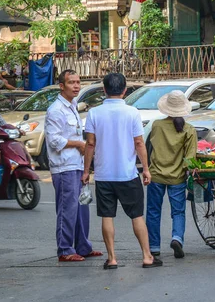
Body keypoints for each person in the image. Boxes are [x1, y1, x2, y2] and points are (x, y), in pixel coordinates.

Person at [82, 73, 162, 269]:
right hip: (127, 173)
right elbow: (139, 143)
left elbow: (90, 144)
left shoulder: (94, 113)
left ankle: (112, 258)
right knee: (137, 216)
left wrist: (86, 171)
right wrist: (146, 169)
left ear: (104, 90)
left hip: (103, 174)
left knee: (107, 216)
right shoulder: (132, 112)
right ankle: (146, 256)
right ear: (125, 90)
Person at [45, 69, 103, 262]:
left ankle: (83, 246)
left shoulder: (73, 106)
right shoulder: (55, 110)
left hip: (77, 164)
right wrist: (78, 144)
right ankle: (65, 249)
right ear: (62, 86)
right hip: (63, 166)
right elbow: (54, 140)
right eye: (72, 82)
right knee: (67, 209)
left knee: (82, 208)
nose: (76, 86)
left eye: (78, 82)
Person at [146, 91, 197, 259]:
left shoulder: (156, 126)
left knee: (153, 211)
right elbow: (190, 159)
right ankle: (177, 238)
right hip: (177, 178)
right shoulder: (189, 130)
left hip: (156, 175)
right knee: (178, 212)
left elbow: (150, 149)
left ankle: (153, 246)